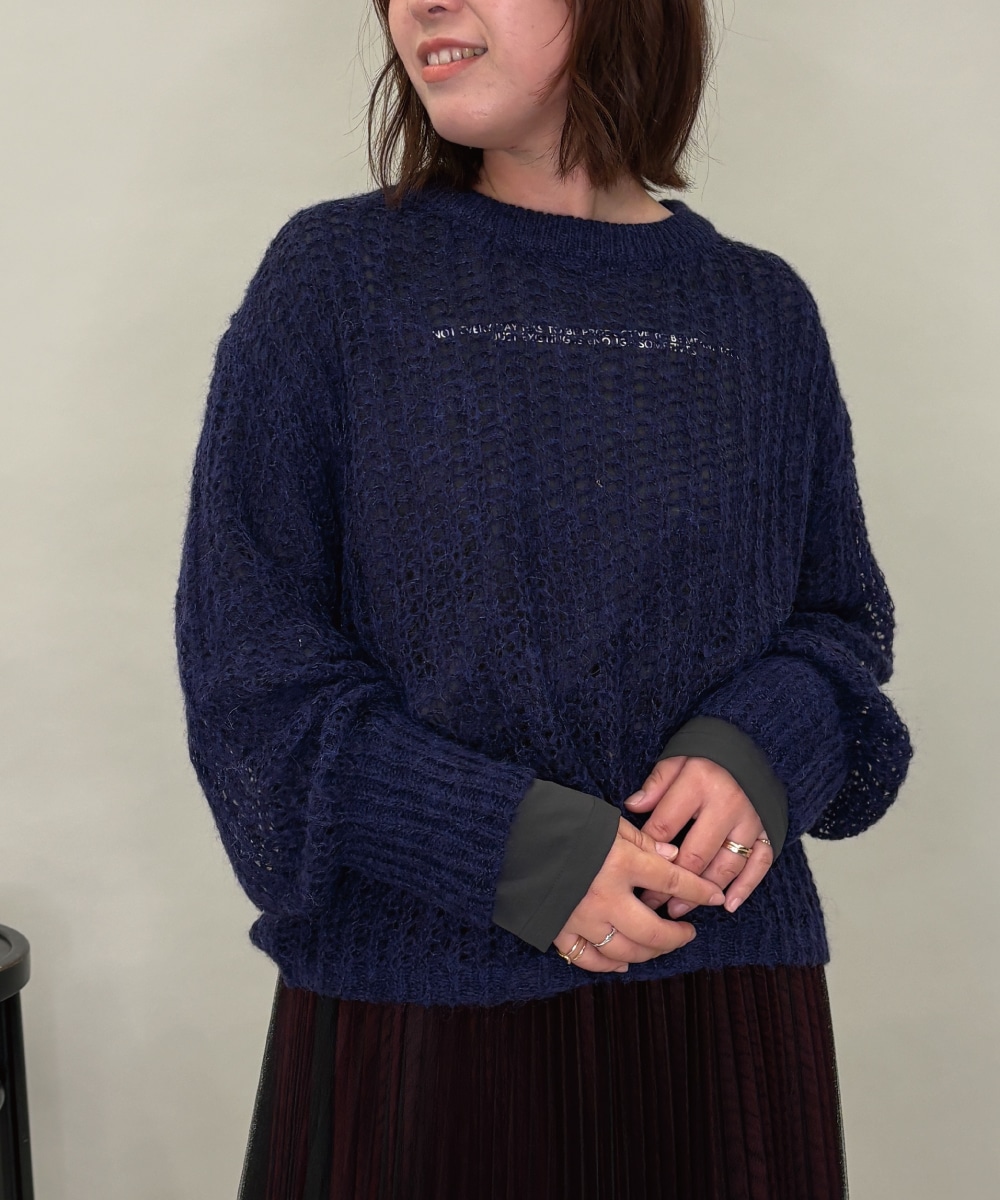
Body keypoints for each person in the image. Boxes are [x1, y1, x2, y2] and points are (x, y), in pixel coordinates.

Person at [174, 0, 914, 1195]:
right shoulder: (336, 281)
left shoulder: (759, 312)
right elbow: (249, 672)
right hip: (424, 1025)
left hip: (720, 1021)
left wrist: (759, 748)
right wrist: (511, 848)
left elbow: (837, 628)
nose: (422, 3)